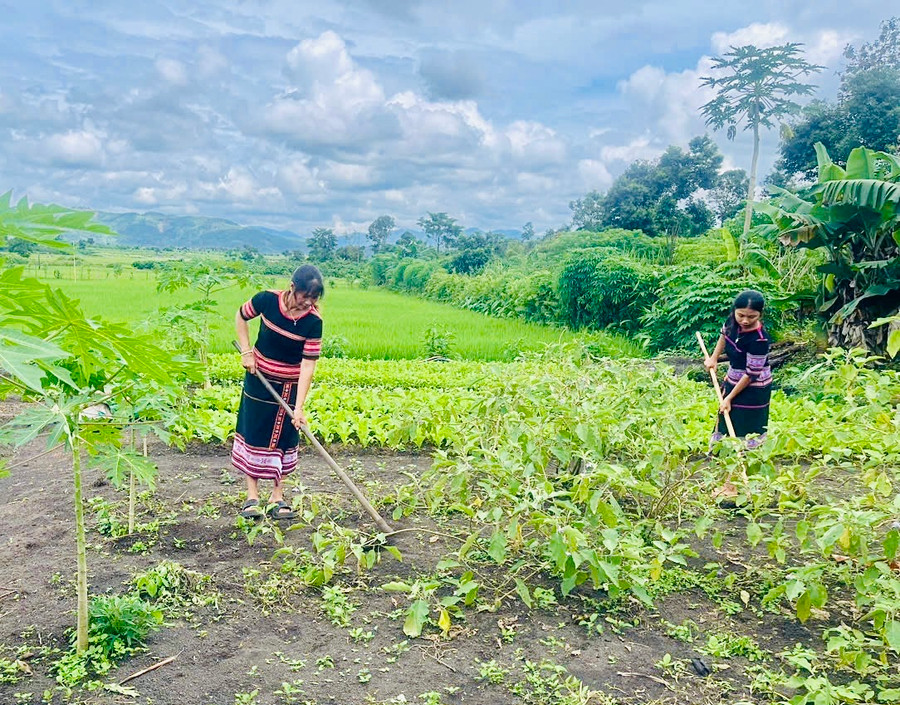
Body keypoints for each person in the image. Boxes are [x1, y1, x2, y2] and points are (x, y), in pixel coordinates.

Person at [232, 265, 324, 520]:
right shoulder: (267, 300)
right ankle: (252, 496)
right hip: (258, 380)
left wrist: (299, 407)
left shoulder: (314, 322)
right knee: (254, 432)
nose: (308, 302)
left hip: (289, 387)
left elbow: (308, 365)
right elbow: (241, 316)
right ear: (292, 287)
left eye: (314, 298)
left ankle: (277, 496)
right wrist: (246, 351)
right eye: (304, 295)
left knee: (283, 439)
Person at [704, 290, 772, 454]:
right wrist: (713, 358)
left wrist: (729, 398)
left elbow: (751, 374)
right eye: (741, 315)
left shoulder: (760, 339)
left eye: (751, 317)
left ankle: (743, 463)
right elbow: (724, 335)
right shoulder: (731, 322)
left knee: (746, 427)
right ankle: (724, 461)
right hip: (733, 379)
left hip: (754, 389)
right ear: (734, 310)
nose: (745, 320)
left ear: (760, 315)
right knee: (725, 419)